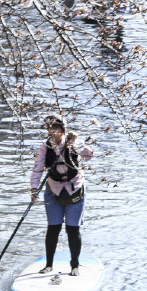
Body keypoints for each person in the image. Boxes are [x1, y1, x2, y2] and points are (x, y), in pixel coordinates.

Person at [30, 115, 94, 276]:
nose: (53, 133)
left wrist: (77, 142)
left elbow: (88, 155)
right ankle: (49, 265)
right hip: (53, 190)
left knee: (72, 230)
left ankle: (74, 266)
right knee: (53, 228)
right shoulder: (45, 147)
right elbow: (37, 168)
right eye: (50, 130)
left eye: (56, 130)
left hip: (74, 189)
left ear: (63, 131)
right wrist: (33, 189)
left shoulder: (72, 143)